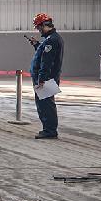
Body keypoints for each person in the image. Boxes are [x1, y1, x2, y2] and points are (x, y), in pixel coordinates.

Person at [28, 12, 64, 140]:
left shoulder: (52, 40)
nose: (39, 31)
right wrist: (37, 45)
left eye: (39, 28)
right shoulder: (50, 39)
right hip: (46, 78)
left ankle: (50, 130)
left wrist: (42, 78)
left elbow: (47, 61)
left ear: (44, 25)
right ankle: (48, 129)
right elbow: (45, 55)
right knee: (44, 104)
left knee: (46, 105)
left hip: (47, 79)